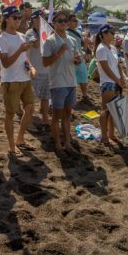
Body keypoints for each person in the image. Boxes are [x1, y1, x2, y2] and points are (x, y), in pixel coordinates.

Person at [0, 5, 36, 157]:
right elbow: (5, 63)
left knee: (30, 108)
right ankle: (12, 145)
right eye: (15, 17)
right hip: (10, 81)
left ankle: (20, 139)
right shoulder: (1, 39)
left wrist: (31, 67)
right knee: (10, 114)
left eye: (20, 17)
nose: (19, 20)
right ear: (6, 18)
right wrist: (20, 50)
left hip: (24, 78)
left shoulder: (21, 36)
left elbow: (25, 59)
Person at [42, 10, 81, 156]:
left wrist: (78, 60)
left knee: (67, 115)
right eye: (60, 21)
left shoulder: (72, 40)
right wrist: (59, 53)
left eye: (65, 20)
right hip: (58, 82)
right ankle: (58, 144)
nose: (63, 23)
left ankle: (68, 143)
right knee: (57, 117)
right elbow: (45, 62)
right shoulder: (50, 41)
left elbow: (77, 60)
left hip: (71, 82)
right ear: (54, 23)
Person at [95, 24, 126, 146]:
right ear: (103, 34)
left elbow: (117, 65)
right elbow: (105, 67)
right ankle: (104, 135)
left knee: (114, 110)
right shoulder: (101, 48)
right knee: (106, 110)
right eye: (111, 33)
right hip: (107, 82)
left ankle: (111, 134)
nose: (113, 35)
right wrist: (117, 79)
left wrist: (122, 77)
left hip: (115, 81)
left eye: (113, 32)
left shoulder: (112, 48)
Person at [27, 9, 50, 128]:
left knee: (46, 97)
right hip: (35, 70)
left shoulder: (48, 33)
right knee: (31, 99)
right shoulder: (30, 32)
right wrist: (46, 35)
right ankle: (28, 121)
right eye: (40, 19)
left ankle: (45, 119)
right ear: (33, 20)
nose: (43, 21)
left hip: (47, 70)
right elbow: (35, 43)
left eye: (44, 18)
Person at [67, 13, 91, 104]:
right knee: (71, 80)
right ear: (68, 22)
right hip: (70, 60)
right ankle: (71, 98)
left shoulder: (79, 32)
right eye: (74, 20)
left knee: (83, 77)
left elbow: (83, 47)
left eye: (76, 20)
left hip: (80, 58)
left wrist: (85, 44)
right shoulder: (65, 33)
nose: (76, 22)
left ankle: (85, 96)